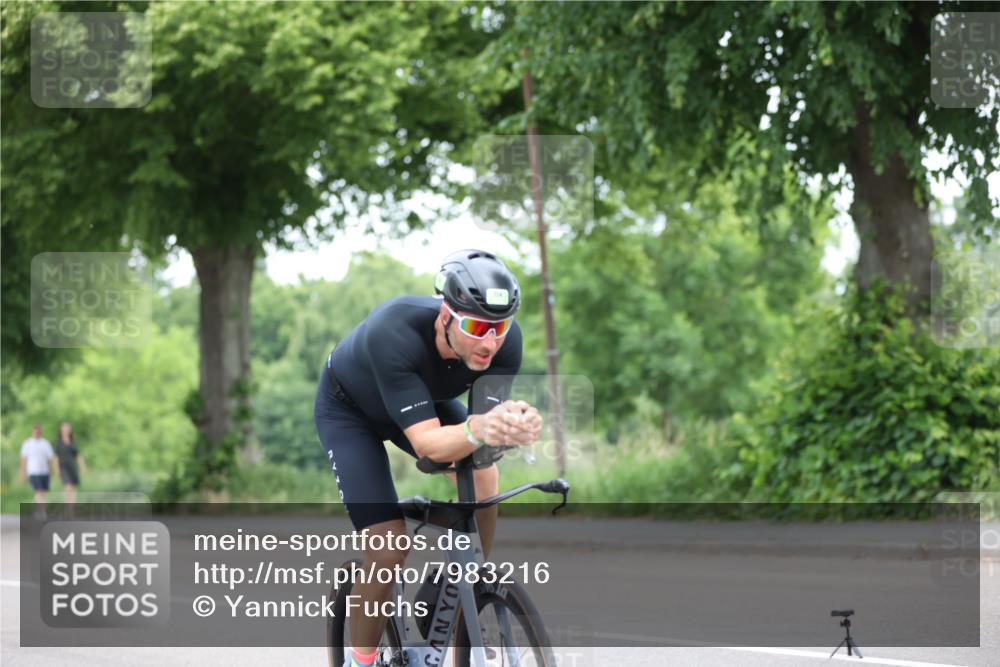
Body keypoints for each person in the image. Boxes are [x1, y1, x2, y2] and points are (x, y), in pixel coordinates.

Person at [315, 249, 543, 667]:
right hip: (351, 413)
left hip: (424, 402)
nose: (489, 342)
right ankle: (361, 660)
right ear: (445, 316)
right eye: (475, 326)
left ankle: (463, 599)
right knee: (388, 546)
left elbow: (485, 438)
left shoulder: (505, 344)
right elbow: (428, 445)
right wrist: (480, 428)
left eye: (499, 327)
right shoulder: (394, 331)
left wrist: (514, 429)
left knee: (486, 476)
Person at [20, 424, 55, 517]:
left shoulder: (45, 443)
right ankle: (42, 511)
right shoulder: (27, 443)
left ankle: (37, 509)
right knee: (38, 491)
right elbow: (24, 459)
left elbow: (50, 458)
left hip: (44, 471)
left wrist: (51, 470)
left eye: (39, 431)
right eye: (36, 431)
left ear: (41, 432)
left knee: (42, 492)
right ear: (33, 431)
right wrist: (23, 472)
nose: (37, 432)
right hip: (33, 471)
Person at [55, 421, 86, 516]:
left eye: (67, 428)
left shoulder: (73, 442)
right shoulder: (58, 443)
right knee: (67, 488)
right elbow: (56, 457)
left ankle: (71, 511)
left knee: (73, 489)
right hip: (63, 468)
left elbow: (78, 455)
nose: (66, 430)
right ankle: (66, 511)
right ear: (61, 430)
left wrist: (82, 466)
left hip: (73, 468)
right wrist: (57, 469)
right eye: (64, 428)